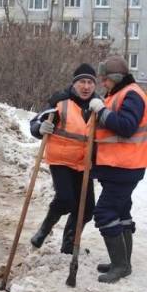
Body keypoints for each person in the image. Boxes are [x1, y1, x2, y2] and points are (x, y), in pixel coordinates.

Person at [89, 55, 147, 283]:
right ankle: (123, 262)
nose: (102, 83)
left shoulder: (132, 94)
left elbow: (126, 127)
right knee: (121, 212)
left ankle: (120, 265)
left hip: (125, 166)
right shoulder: (117, 94)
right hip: (118, 165)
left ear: (115, 78)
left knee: (104, 213)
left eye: (105, 79)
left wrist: (102, 112)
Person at [30, 63, 97, 254]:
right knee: (66, 199)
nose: (86, 87)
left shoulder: (97, 106)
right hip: (61, 160)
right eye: (82, 82)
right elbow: (35, 121)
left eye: (90, 83)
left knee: (87, 208)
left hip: (83, 163)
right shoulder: (61, 101)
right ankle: (43, 230)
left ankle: (68, 244)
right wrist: (39, 128)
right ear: (74, 84)